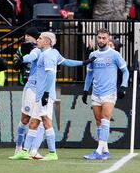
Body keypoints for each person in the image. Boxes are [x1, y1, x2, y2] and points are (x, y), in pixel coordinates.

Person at [10, 31, 96, 160]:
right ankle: (25, 151)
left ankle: (52, 152)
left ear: (47, 41)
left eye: (39, 38)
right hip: (40, 93)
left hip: (44, 93)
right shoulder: (51, 53)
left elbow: (50, 74)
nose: (37, 40)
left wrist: (46, 93)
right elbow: (66, 61)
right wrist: (83, 63)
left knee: (45, 121)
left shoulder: (48, 55)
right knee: (34, 122)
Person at [82, 28, 129, 160]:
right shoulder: (93, 55)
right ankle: (105, 151)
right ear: (97, 38)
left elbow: (125, 71)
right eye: (99, 38)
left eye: (104, 38)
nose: (101, 40)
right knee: (98, 121)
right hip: (96, 93)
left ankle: (98, 151)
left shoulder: (114, 55)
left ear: (108, 40)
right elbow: (89, 74)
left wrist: (123, 86)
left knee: (105, 119)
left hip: (109, 93)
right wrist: (86, 90)